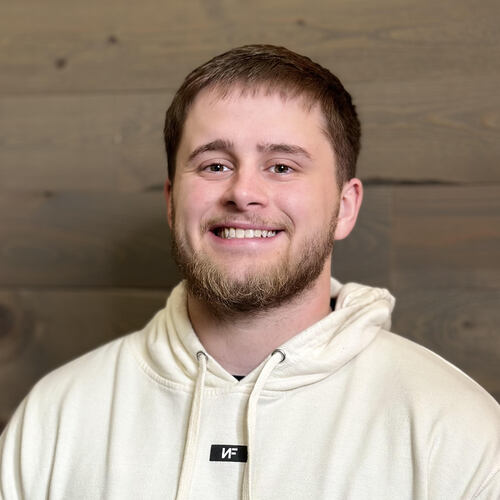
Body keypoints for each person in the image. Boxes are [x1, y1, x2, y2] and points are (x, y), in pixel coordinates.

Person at [0, 45, 499, 500]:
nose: (243, 193)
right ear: (172, 203)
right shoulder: (52, 421)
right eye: (215, 165)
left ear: (345, 208)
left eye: (282, 166)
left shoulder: (459, 433)